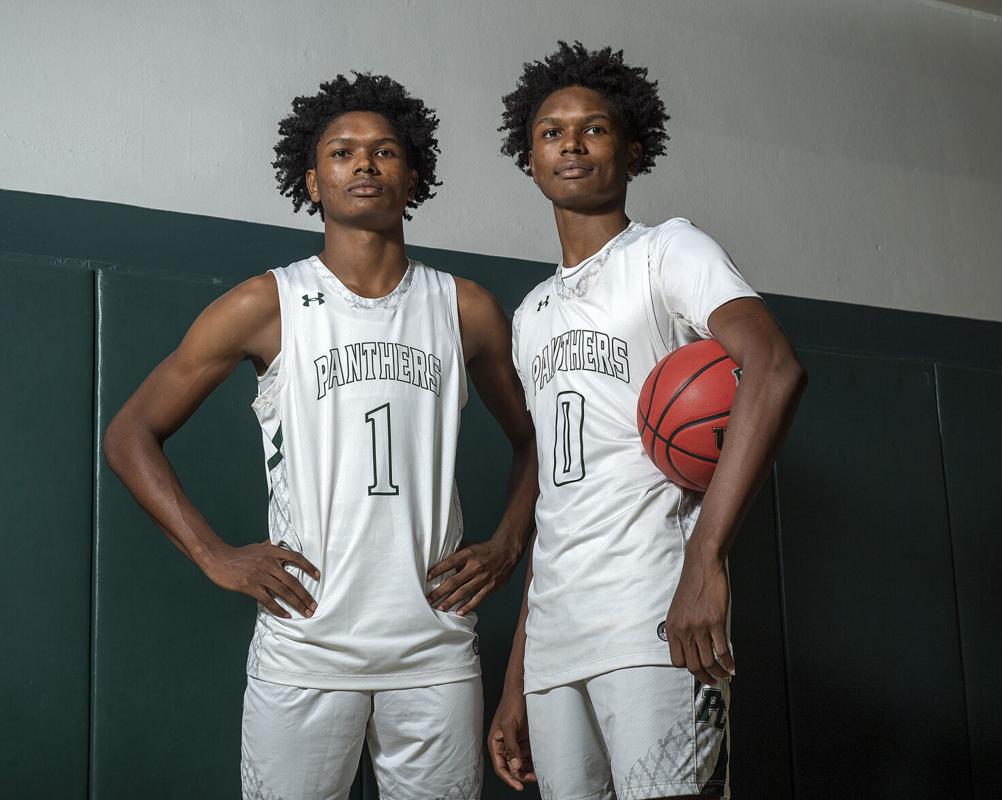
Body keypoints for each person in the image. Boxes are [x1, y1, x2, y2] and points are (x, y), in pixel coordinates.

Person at [103, 72, 536, 800]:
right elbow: (130, 433)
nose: (364, 164)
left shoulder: (465, 309)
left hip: (433, 647)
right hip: (305, 644)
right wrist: (215, 556)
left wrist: (507, 542)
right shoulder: (263, 304)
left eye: (384, 151)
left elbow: (535, 441)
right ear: (313, 179)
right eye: (342, 152)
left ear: (413, 175)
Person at [487, 43, 807, 800]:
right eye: (551, 132)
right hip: (557, 642)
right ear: (528, 157)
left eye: (594, 129)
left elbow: (775, 366)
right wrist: (517, 675)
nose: (571, 143)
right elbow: (558, 503)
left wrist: (705, 560)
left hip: (656, 613)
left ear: (633, 148)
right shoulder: (530, 316)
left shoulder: (669, 251)